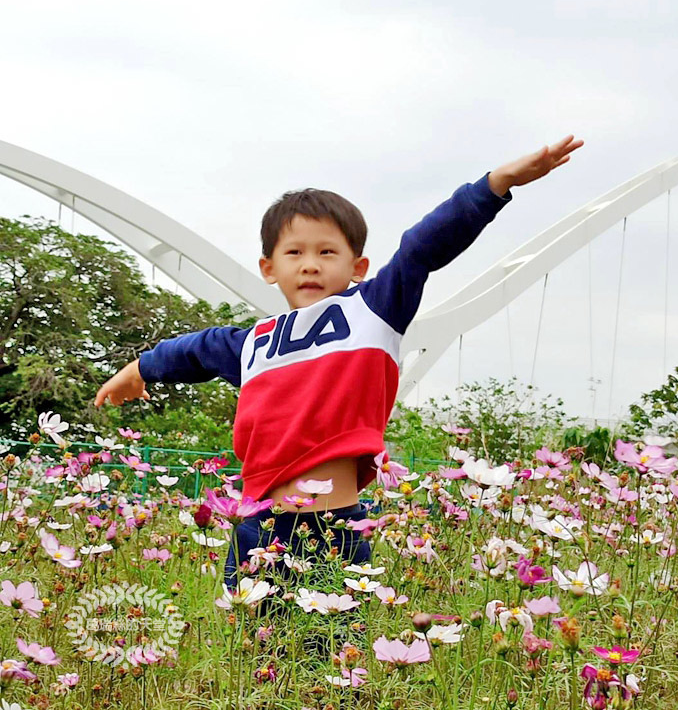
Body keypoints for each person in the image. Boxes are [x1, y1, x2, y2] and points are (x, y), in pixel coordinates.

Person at [94, 135, 584, 592]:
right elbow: (196, 349)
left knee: (329, 664)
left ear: (358, 267)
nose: (310, 264)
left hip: (331, 526)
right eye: (295, 252)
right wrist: (138, 370)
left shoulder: (373, 310)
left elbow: (421, 248)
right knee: (254, 664)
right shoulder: (254, 343)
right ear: (269, 268)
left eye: (327, 251)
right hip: (254, 525)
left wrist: (495, 186)